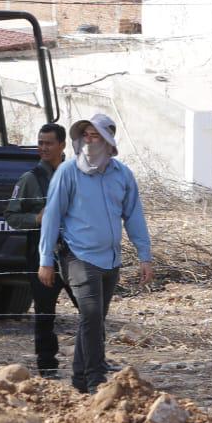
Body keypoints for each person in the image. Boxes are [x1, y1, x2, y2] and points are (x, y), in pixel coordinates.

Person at [38, 113, 154, 394]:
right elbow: (52, 216)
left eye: (96, 136)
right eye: (85, 135)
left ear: (109, 141)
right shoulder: (68, 172)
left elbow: (134, 216)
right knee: (90, 316)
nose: (89, 141)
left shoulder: (122, 174)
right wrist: (45, 261)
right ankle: (95, 379)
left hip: (110, 260)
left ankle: (79, 381)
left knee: (93, 321)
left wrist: (144, 255)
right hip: (77, 256)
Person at [4, 122, 69, 378]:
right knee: (44, 313)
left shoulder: (74, 174)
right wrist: (36, 219)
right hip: (42, 255)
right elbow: (11, 215)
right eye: (40, 143)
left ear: (62, 145)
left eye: (48, 143)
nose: (43, 148)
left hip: (74, 254)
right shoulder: (30, 180)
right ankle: (47, 366)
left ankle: (91, 362)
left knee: (90, 312)